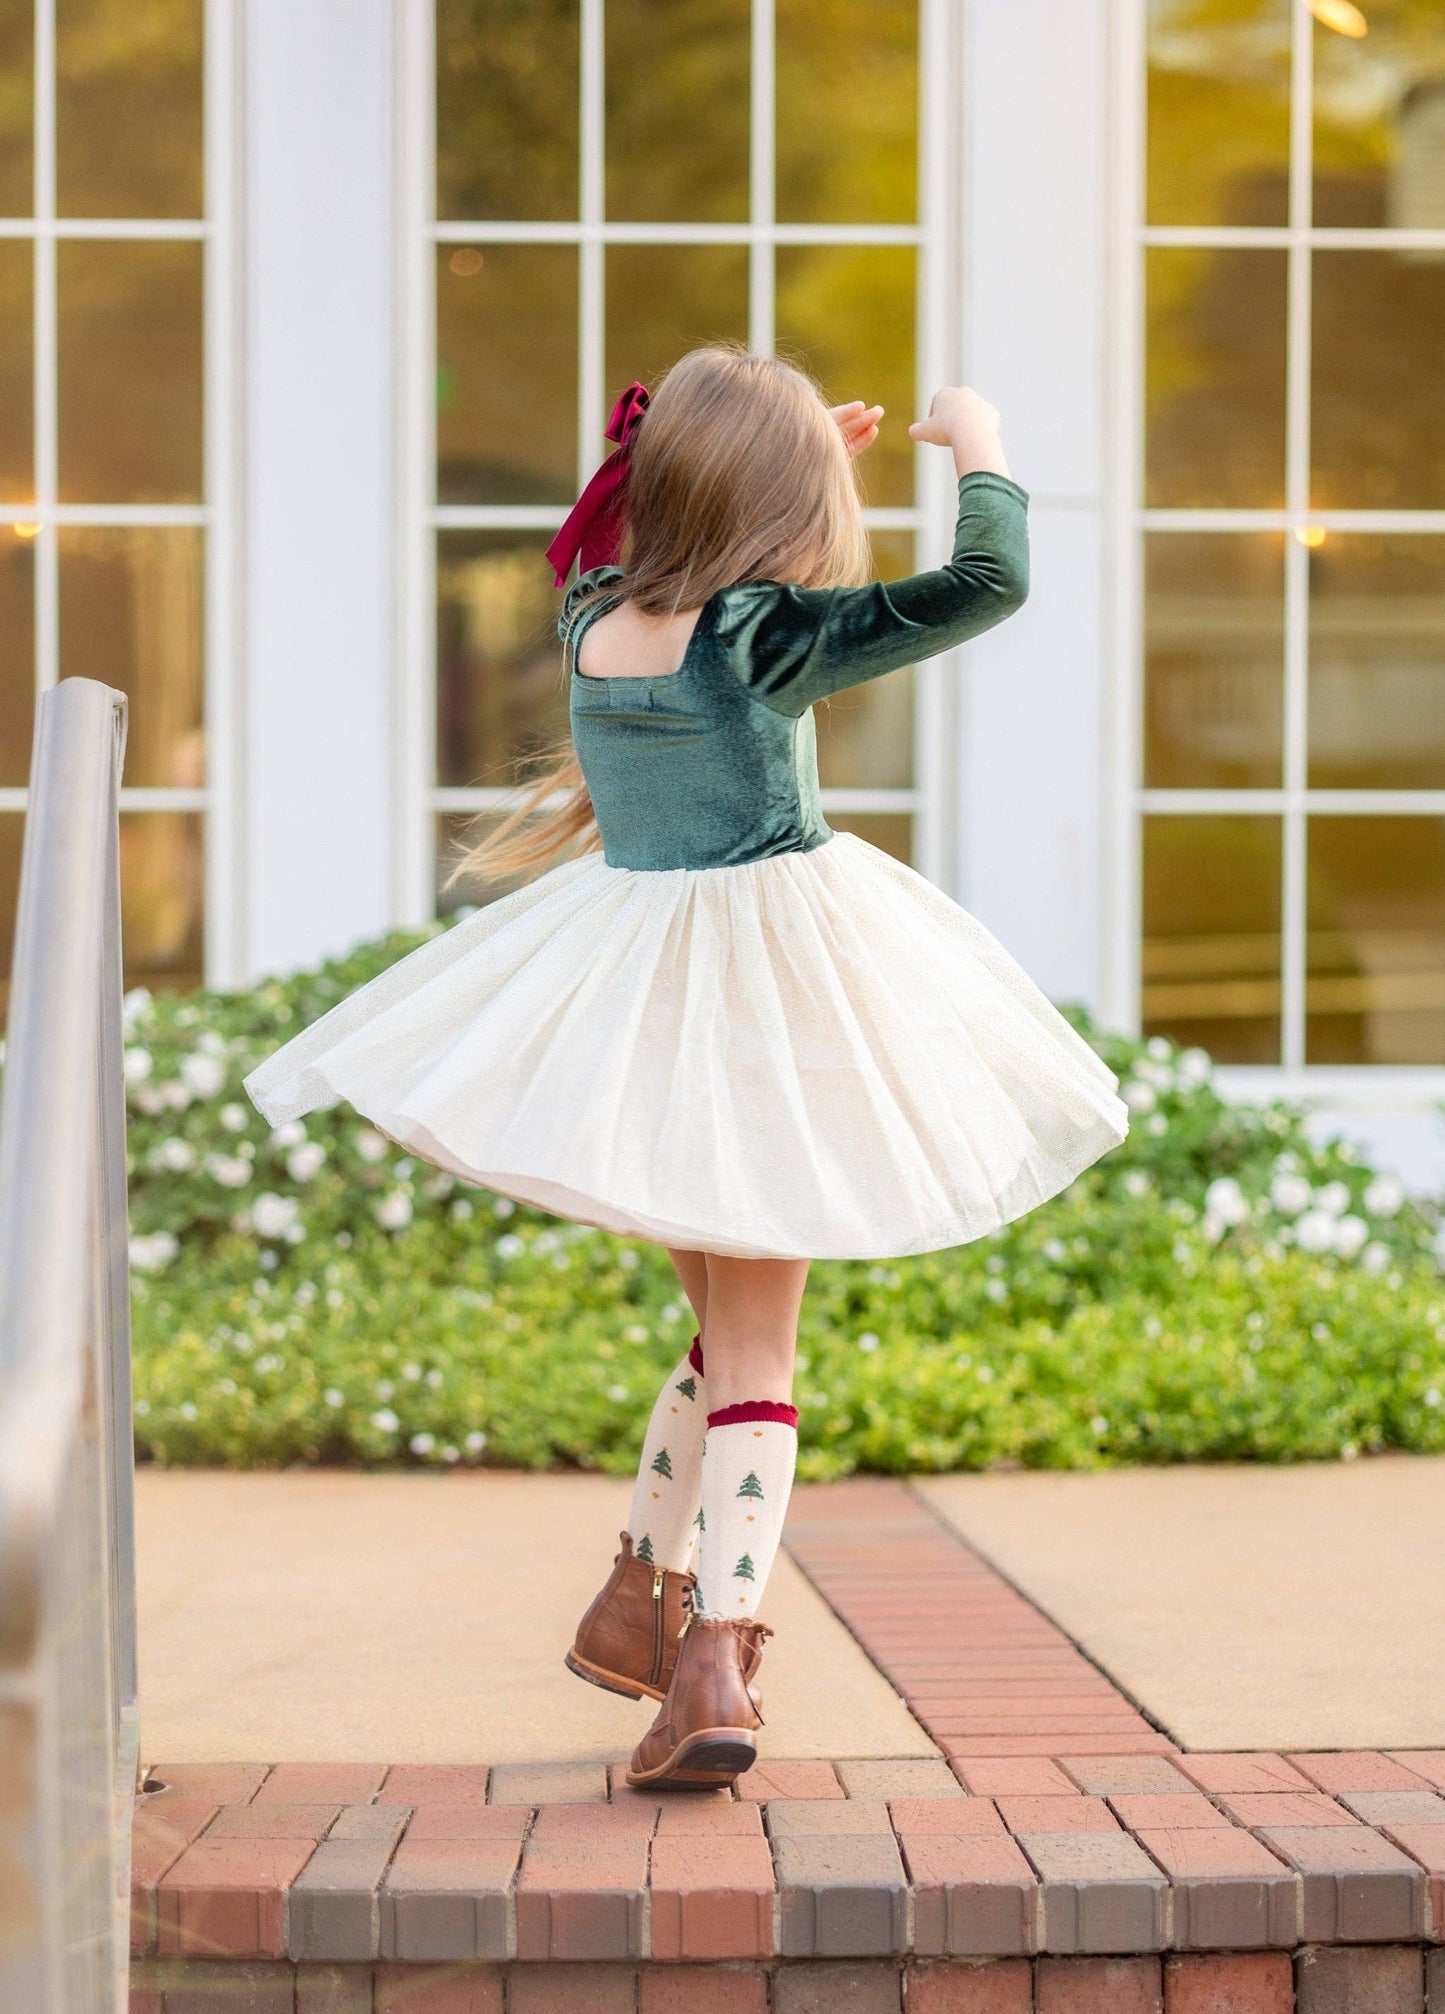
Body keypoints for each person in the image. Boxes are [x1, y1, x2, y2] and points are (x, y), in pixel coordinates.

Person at [246, 345, 1127, 1791]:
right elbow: (986, 586)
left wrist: (788, 454)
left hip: (644, 1008)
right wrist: (978, 447)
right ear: (779, 500)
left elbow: (635, 526)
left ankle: (629, 1591)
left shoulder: (597, 618)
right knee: (761, 1351)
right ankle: (718, 1652)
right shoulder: (762, 637)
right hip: (775, 1008)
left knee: (721, 1334)